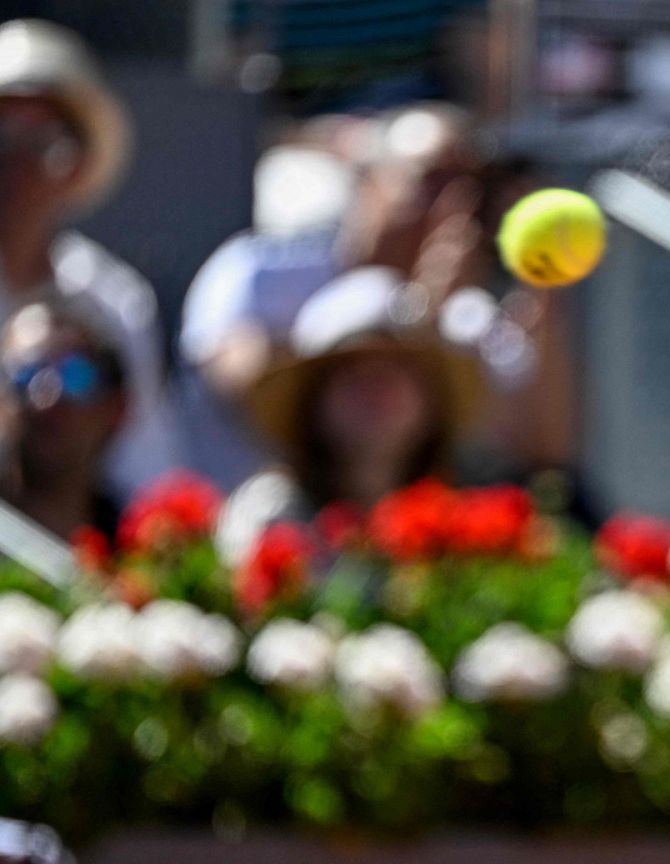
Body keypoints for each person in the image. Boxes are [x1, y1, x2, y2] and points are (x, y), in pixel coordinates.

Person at [178, 103, 569, 492]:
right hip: (243, 533)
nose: (454, 206)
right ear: (371, 184)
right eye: (432, 180)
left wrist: (545, 296)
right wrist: (421, 315)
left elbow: (543, 450)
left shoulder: (467, 311)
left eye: (471, 189)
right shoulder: (260, 270)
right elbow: (245, 388)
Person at [0, 18, 181, 504]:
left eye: (40, 141)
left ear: (77, 161)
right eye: (1, 135)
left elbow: (148, 469)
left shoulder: (116, 298)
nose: (14, 162)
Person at [213, 268, 486, 565]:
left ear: (431, 401)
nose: (376, 388)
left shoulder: (462, 536)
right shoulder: (268, 515)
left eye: (397, 369)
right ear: (313, 401)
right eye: (352, 370)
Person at [0, 303, 126, 540]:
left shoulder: (147, 550)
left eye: (76, 376)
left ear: (118, 405)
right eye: (25, 376)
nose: (49, 398)